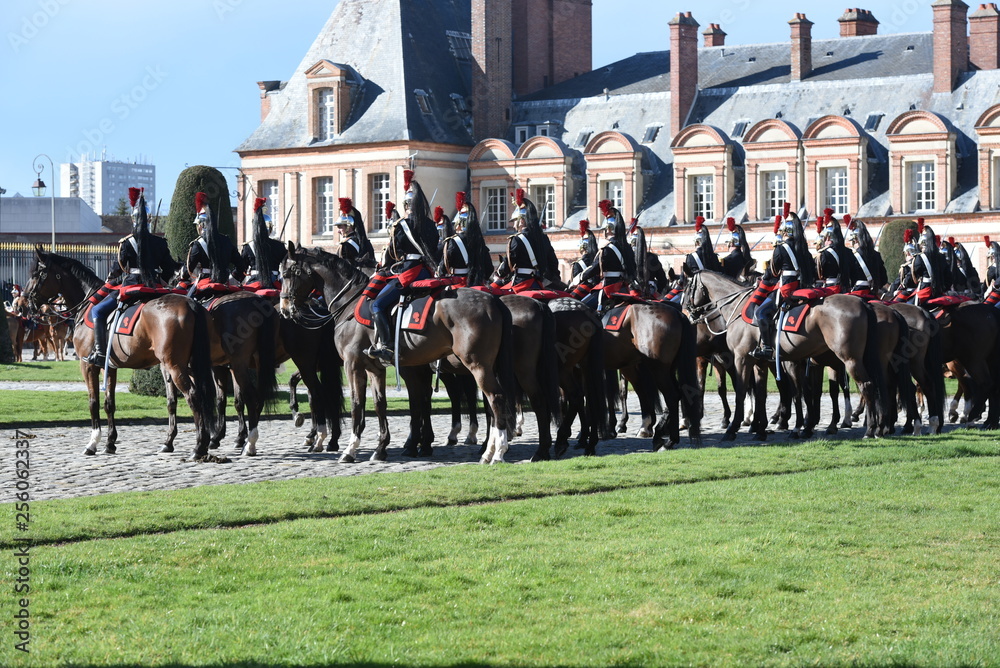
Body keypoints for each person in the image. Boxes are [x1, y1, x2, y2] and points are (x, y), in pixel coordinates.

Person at [86, 188, 177, 366]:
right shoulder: (160, 243)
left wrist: (112, 279)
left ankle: (100, 353)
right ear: (149, 220)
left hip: (132, 288)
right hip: (155, 289)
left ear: (133, 220)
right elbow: (169, 269)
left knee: (97, 311)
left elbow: (116, 270)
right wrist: (159, 279)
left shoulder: (127, 243)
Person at [366, 170, 439, 363]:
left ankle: (387, 346)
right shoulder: (431, 225)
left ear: (407, 205)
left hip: (410, 273)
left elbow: (395, 253)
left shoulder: (402, 225)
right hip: (426, 271)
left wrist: (386, 264)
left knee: (377, 305)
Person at [750, 203, 815, 360]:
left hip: (786, 288)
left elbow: (772, 272)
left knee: (760, 312)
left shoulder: (781, 249)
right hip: (802, 286)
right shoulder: (804, 249)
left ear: (785, 231)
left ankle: (766, 347)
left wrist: (763, 279)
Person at [569, 199, 637, 311]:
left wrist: (578, 278)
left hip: (609, 288)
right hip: (624, 288)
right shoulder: (627, 247)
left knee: (581, 309)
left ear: (607, 230)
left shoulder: (606, 248)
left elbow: (595, 268)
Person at [490, 189, 558, 293]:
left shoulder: (517, 239)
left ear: (521, 221)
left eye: (515, 221)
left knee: (492, 295)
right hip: (538, 283)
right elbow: (553, 263)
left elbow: (508, 264)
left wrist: (498, 275)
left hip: (521, 283)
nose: (513, 225)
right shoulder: (543, 238)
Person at [185, 191, 246, 292]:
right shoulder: (226, 240)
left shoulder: (198, 244)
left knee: (188, 299)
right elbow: (240, 265)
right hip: (225, 282)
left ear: (200, 225)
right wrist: (233, 278)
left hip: (205, 283)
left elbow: (189, 269)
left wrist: (183, 277)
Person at [438, 192, 493, 287]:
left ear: (458, 224)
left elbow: (443, 268)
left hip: (458, 283)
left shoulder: (452, 242)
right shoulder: (479, 242)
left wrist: (439, 273)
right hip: (477, 284)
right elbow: (489, 269)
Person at [241, 197, 287, 290]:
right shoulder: (279, 246)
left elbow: (242, 269)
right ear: (270, 228)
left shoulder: (248, 247)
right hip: (274, 284)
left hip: (253, 284)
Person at [909, 218, 949, 307]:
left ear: (922, 243)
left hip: (926, 290)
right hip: (940, 290)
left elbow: (914, 277)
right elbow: (948, 277)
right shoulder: (942, 256)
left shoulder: (920, 257)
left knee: (906, 306)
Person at [844, 217, 887, 298]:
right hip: (872, 294)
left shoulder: (853, 255)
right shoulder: (876, 254)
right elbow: (884, 279)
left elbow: (847, 278)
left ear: (855, 240)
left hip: (856, 292)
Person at [814, 210, 853, 293]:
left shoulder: (824, 254)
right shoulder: (849, 252)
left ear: (827, 237)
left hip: (830, 289)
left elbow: (818, 276)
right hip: (845, 290)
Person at [334, 197, 375, 268]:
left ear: (348, 226)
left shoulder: (346, 245)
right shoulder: (366, 243)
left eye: (340, 227)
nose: (338, 231)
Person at [983, 236, 1000, 306]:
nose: (992, 258)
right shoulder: (992, 267)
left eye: (993, 256)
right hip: (995, 290)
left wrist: (993, 286)